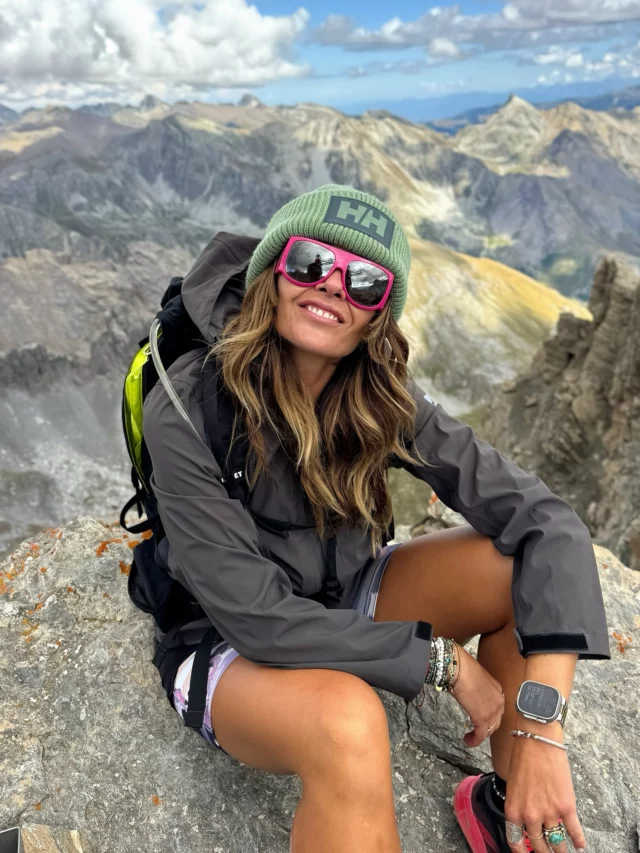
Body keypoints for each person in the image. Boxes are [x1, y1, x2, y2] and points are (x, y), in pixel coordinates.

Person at [143, 184, 609, 853]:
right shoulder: (189, 403)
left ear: (377, 316)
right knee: (349, 721)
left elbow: (547, 522)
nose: (332, 285)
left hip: (347, 596)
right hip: (224, 642)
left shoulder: (378, 393)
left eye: (364, 282)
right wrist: (439, 660)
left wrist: (540, 727)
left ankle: (511, 811)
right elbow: (258, 618)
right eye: (309, 262)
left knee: (512, 566)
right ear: (273, 271)